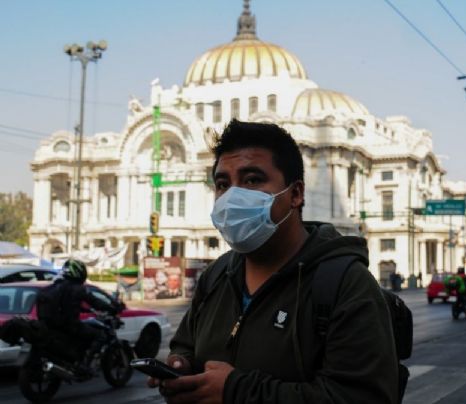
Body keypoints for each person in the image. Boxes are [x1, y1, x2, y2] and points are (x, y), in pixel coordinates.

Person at [148, 120, 398, 403]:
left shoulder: (346, 284)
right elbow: (187, 343)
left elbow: (363, 397)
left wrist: (237, 392)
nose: (232, 196)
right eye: (222, 184)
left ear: (295, 194)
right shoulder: (216, 275)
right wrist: (181, 364)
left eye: (252, 180)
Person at [36, 259, 121, 367]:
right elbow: (95, 301)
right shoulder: (77, 288)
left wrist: (85, 309)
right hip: (69, 325)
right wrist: (112, 308)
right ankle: (85, 363)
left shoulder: (54, 287)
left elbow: (67, 305)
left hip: (49, 325)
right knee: (100, 336)